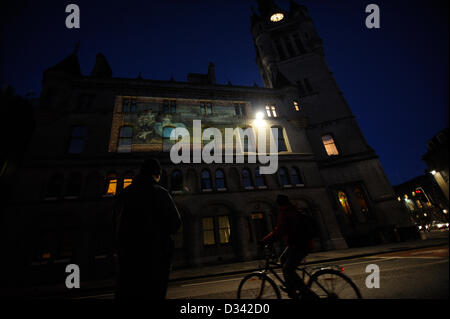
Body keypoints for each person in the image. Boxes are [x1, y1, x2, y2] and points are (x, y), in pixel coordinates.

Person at [113, 158, 182, 299]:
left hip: (128, 259)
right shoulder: (160, 193)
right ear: (157, 174)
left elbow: (115, 222)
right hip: (154, 258)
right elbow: (175, 222)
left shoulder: (126, 193)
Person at [261, 194, 318, 299]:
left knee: (288, 269)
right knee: (283, 259)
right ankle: (291, 288)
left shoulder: (286, 212)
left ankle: (308, 294)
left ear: (279, 204)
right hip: (297, 243)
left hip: (300, 245)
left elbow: (280, 230)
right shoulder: (292, 209)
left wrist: (265, 240)